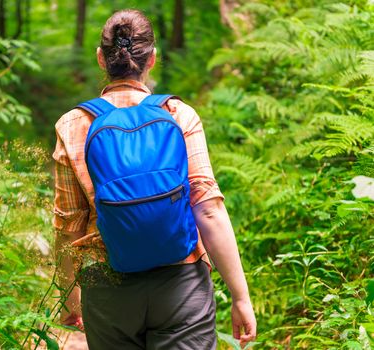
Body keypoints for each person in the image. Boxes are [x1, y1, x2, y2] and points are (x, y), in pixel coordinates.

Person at [52, 9, 256, 350]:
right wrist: (240, 296)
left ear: (101, 58)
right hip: (181, 285)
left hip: (108, 288)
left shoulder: (72, 125)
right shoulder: (177, 114)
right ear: (153, 59)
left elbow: (68, 226)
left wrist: (70, 297)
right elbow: (208, 211)